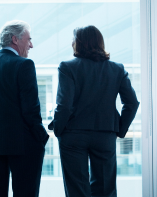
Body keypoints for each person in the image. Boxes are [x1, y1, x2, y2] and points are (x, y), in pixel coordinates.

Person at [48, 25, 140, 197]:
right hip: (105, 134)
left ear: (79, 43)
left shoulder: (67, 67)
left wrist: (59, 130)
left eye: (73, 40)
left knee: (77, 189)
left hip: (73, 134)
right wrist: (119, 129)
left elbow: (64, 105)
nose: (71, 43)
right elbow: (132, 103)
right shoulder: (117, 68)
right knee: (105, 187)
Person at [0, 20, 49, 197]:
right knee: (25, 193)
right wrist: (41, 136)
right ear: (15, 39)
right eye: (28, 39)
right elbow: (30, 108)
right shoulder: (24, 65)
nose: (31, 45)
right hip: (23, 143)